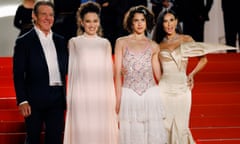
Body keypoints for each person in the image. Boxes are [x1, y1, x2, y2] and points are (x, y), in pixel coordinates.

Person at [152, 9, 237, 144]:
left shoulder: (186, 39)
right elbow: (156, 70)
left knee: (181, 127)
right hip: (164, 89)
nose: (169, 24)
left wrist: (192, 74)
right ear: (161, 24)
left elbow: (203, 60)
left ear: (177, 21)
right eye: (165, 21)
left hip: (182, 88)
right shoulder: (158, 45)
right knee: (165, 126)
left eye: (171, 20)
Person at [13, 1, 68, 144]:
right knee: (33, 139)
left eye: (51, 15)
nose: (48, 18)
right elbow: (18, 74)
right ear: (34, 16)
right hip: (34, 99)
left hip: (57, 97)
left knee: (55, 139)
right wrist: (22, 100)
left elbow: (67, 67)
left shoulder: (60, 41)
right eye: (44, 14)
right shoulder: (24, 42)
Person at [63, 2, 118, 144]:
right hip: (81, 96)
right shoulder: (74, 42)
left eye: (95, 21)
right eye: (88, 21)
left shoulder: (105, 43)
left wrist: (111, 99)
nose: (92, 25)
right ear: (81, 22)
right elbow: (73, 73)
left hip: (101, 96)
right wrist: (72, 99)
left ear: (99, 22)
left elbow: (108, 74)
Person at [114, 5, 167, 144]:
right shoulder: (121, 42)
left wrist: (174, 87)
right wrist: (118, 98)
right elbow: (117, 74)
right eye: (136, 20)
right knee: (132, 135)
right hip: (129, 94)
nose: (139, 23)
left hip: (150, 94)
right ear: (131, 22)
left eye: (142, 20)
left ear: (147, 22)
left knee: (152, 135)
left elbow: (159, 76)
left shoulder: (153, 45)